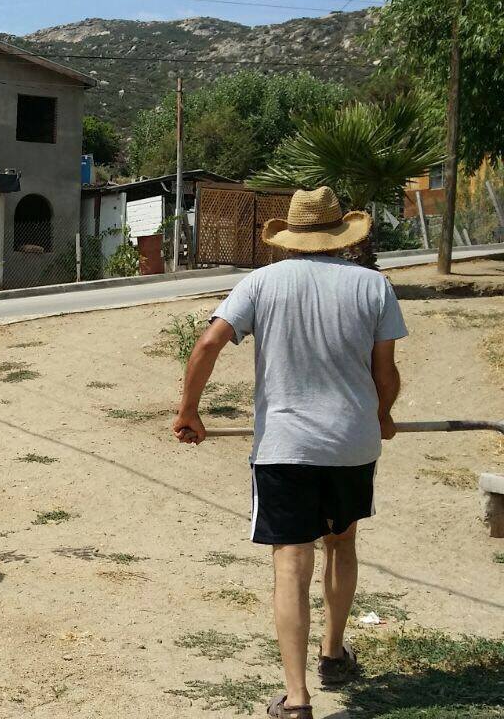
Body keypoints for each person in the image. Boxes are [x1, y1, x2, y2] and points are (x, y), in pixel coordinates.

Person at [171, 187, 406, 719]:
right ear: (341, 238)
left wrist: (189, 411)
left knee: (290, 564)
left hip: (285, 447)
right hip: (351, 445)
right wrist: (382, 415)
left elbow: (207, 344)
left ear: (290, 239)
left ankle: (297, 698)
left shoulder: (260, 283)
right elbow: (384, 373)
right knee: (341, 544)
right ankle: (333, 653)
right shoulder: (374, 287)